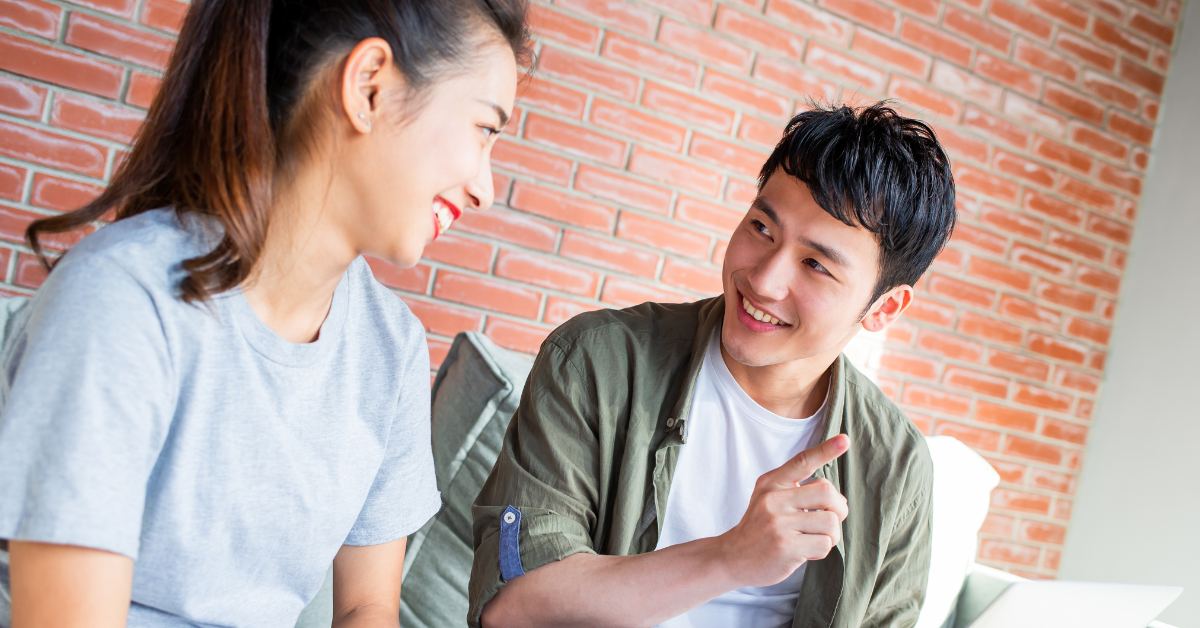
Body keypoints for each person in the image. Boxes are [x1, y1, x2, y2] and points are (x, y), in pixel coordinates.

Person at [0, 0, 527, 626]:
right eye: (483, 130)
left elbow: (366, 606)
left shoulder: (392, 347)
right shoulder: (122, 301)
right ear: (369, 87)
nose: (485, 188)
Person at [468, 102, 956, 628]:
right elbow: (513, 609)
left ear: (883, 308)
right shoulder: (597, 361)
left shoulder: (898, 465)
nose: (763, 281)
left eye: (815, 264)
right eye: (762, 227)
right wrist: (731, 557)